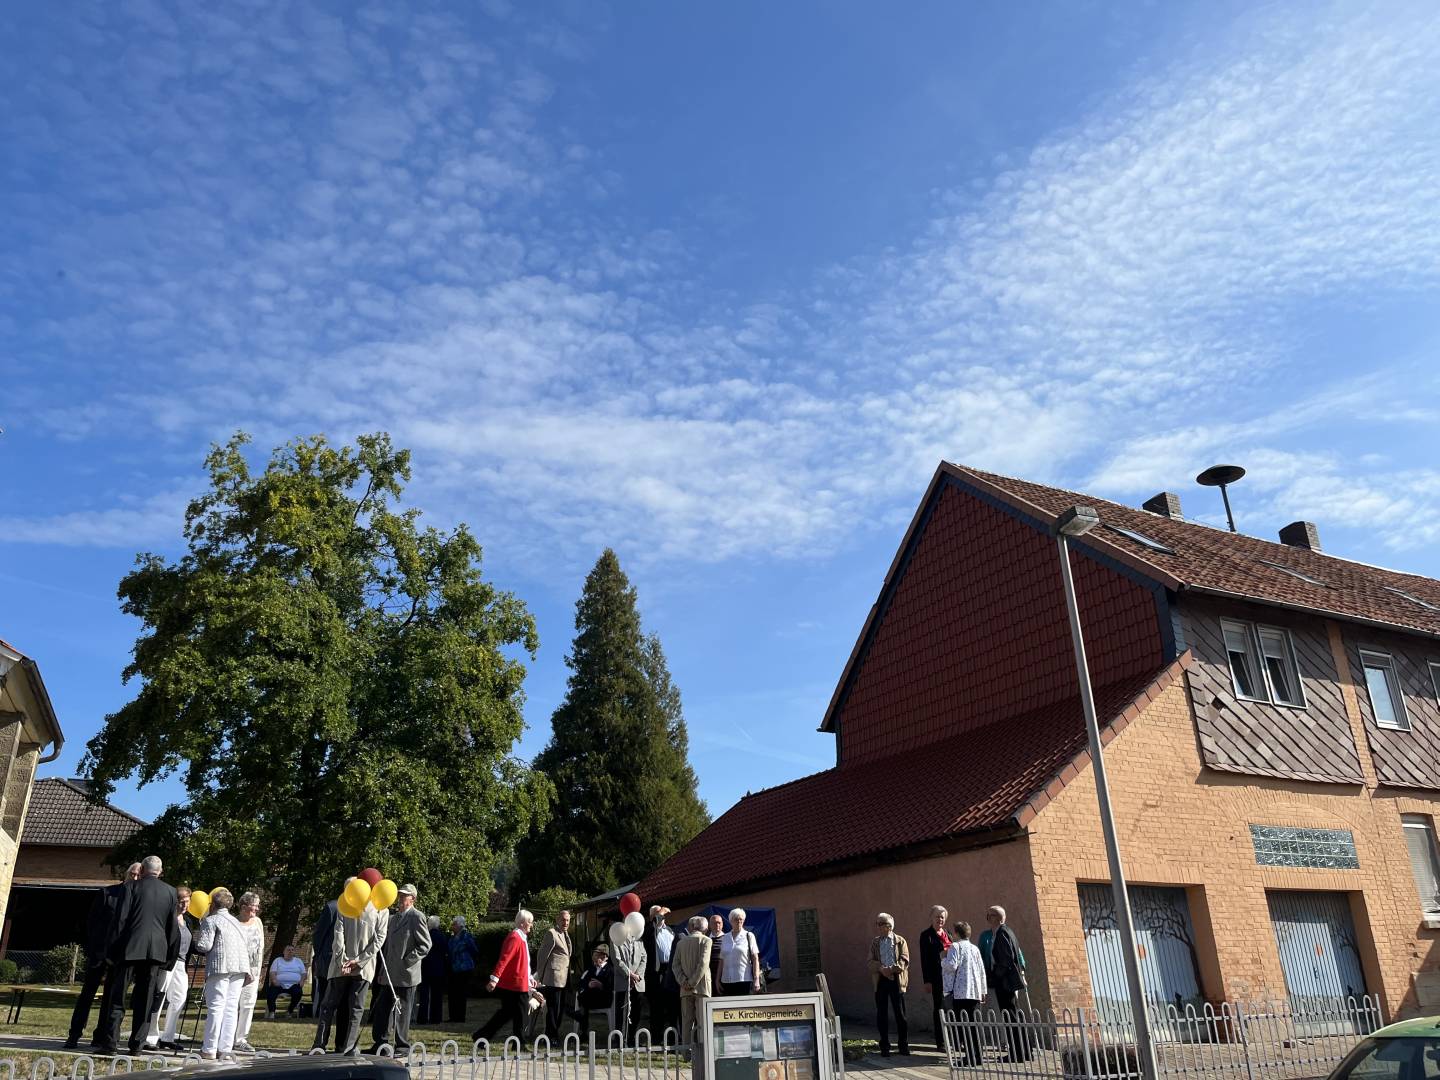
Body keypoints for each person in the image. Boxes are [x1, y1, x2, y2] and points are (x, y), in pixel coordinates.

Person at [98, 855, 181, 1055]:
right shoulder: (171, 892)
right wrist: (170, 955)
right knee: (145, 999)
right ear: (160, 872)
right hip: (155, 952)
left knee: (118, 997)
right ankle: (137, 1045)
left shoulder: (131, 887)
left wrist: (111, 951)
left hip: (130, 949)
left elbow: (120, 920)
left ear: (142, 870)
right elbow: (172, 927)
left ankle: (110, 1043)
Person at [66, 862, 140, 1050]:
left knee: (110, 998)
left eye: (139, 875)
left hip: (119, 957)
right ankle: (74, 1034)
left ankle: (100, 1035)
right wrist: (93, 948)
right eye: (133, 874)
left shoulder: (138, 899)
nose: (135, 878)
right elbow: (92, 922)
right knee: (87, 995)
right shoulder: (108, 893)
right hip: (99, 953)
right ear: (126, 874)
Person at [312, 879, 388, 1056]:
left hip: (342, 967)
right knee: (355, 1009)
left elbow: (338, 936)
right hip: (362, 968)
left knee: (328, 1006)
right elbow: (378, 940)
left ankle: (319, 1045)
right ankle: (349, 1047)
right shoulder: (380, 910)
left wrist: (343, 961)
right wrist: (358, 961)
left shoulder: (343, 905)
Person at [194, 888, 259, 1062]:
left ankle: (209, 1048)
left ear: (213, 904)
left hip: (220, 966)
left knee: (216, 1006)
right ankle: (225, 1049)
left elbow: (204, 946)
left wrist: (197, 940)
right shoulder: (236, 921)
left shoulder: (211, 920)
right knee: (231, 1008)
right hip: (240, 967)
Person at [369, 884, 432, 1053]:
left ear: (413, 899)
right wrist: (382, 970)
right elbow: (387, 947)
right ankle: (381, 1044)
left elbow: (425, 945)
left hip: (406, 975)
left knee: (402, 1012)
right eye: (400, 895)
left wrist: (407, 961)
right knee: (383, 1009)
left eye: (405, 895)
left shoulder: (417, 917)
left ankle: (402, 1046)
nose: (401, 898)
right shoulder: (393, 918)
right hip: (389, 974)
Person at [473, 910, 539, 1047]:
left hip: (517, 983)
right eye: (530, 922)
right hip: (514, 985)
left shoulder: (520, 937)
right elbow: (504, 958)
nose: (531, 925)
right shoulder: (515, 937)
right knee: (519, 1014)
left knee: (507, 1014)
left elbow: (523, 962)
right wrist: (494, 979)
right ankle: (518, 1043)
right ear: (522, 923)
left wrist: (529, 977)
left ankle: (482, 1035)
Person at [144, 884, 193, 1051]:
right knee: (159, 998)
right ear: (174, 901)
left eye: (187, 901)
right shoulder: (167, 917)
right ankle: (150, 1037)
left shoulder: (188, 921)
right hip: (166, 963)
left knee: (179, 998)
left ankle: (168, 1037)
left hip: (181, 964)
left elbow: (189, 944)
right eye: (181, 901)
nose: (184, 905)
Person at [986, 906, 1030, 1062]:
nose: (987, 919)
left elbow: (1006, 960)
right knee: (1015, 1015)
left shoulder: (1002, 933)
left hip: (1005, 982)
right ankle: (1024, 1052)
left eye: (989, 915)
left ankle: (1017, 1053)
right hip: (1007, 981)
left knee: (1010, 1017)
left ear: (996, 918)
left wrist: (995, 977)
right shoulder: (1006, 931)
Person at [941, 921, 986, 1065]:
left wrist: (942, 959)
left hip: (960, 992)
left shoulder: (955, 946)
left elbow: (951, 966)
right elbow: (981, 970)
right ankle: (977, 1056)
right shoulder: (975, 948)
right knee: (974, 1024)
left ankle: (970, 1056)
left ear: (956, 933)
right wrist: (983, 990)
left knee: (964, 1025)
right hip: (974, 991)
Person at [868, 912, 910, 1058]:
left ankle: (903, 1045)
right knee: (882, 1014)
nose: (878, 927)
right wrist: (881, 968)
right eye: (877, 924)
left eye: (881, 924)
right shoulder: (875, 942)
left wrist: (891, 969)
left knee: (900, 1014)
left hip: (896, 981)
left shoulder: (900, 941)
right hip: (881, 981)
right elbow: (870, 962)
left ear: (889, 926)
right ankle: (884, 1046)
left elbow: (905, 960)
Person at [670, 916, 712, 1063]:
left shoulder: (681, 943)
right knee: (702, 1022)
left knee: (687, 1022)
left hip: (685, 989)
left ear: (692, 927)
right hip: (702, 988)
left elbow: (675, 965)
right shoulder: (707, 941)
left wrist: (684, 982)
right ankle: (703, 1054)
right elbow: (703, 963)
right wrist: (693, 982)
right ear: (704, 928)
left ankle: (686, 1054)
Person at [535, 909, 577, 1043]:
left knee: (560, 1009)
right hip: (553, 978)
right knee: (553, 1009)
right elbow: (542, 956)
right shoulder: (551, 933)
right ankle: (551, 1037)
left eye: (568, 920)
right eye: (563, 920)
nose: (566, 923)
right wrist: (540, 976)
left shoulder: (566, 935)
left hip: (564, 979)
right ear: (557, 920)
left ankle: (552, 1034)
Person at [231, 892, 265, 1052]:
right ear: (244, 907)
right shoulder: (233, 923)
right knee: (232, 1005)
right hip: (237, 971)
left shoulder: (257, 922)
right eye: (254, 907)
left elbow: (261, 948)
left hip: (254, 971)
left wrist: (259, 969)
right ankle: (228, 1038)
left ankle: (241, 1039)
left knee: (248, 1004)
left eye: (258, 906)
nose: (256, 909)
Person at [918, 905, 951, 1052]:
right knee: (940, 1008)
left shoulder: (948, 933)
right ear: (931, 918)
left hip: (951, 978)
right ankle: (941, 1041)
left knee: (952, 1008)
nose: (940, 919)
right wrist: (927, 981)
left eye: (942, 917)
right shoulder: (926, 935)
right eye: (937, 916)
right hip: (937, 978)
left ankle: (955, 1040)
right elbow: (924, 959)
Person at [643, 906, 679, 1042]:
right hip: (656, 973)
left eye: (662, 915)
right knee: (657, 1007)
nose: (662, 917)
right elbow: (655, 926)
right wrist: (661, 912)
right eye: (658, 915)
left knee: (672, 1007)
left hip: (671, 971)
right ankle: (656, 1039)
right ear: (652, 917)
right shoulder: (649, 930)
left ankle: (673, 1038)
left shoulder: (669, 930)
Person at [610, 920, 646, 1044]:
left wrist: (637, 976)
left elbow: (644, 958)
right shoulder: (616, 938)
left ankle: (632, 1038)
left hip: (637, 983)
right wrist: (629, 975)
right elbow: (616, 960)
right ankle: (619, 1039)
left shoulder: (639, 940)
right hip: (622, 981)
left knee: (636, 1012)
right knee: (620, 1012)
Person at [718, 909, 760, 996]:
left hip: (744, 980)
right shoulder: (725, 938)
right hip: (726, 980)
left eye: (741, 919)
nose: (739, 921)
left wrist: (757, 979)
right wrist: (717, 980)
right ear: (731, 921)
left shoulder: (749, 936)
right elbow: (721, 960)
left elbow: (755, 959)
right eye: (736, 919)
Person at [310, 898, 339, 1027]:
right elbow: (318, 934)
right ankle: (322, 1023)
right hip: (328, 960)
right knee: (325, 996)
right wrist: (319, 955)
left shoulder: (361, 908)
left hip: (348, 962)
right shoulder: (332, 908)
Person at [447, 916, 480, 1022]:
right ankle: (453, 1017)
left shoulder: (467, 936)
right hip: (453, 968)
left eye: (454, 924)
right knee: (453, 993)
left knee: (461, 993)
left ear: (460, 926)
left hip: (464, 969)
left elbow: (474, 950)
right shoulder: (452, 938)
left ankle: (460, 1017)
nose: (452, 926)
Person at [417, 915, 449, 1025]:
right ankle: (436, 1018)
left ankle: (422, 1017)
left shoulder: (426, 935)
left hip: (426, 967)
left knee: (424, 994)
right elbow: (446, 951)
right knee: (437, 994)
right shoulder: (442, 936)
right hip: (438, 968)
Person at [577, 945, 613, 1032]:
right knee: (584, 999)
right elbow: (581, 983)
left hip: (603, 999)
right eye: (595, 955)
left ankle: (582, 1027)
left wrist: (601, 985)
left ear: (606, 957)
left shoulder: (610, 970)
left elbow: (611, 987)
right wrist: (588, 985)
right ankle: (583, 1033)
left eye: (599, 955)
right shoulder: (591, 969)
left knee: (582, 999)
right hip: (589, 999)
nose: (596, 957)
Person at [264, 945, 307, 1018]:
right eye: (288, 950)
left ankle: (289, 1011)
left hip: (294, 984)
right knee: (271, 993)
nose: (290, 951)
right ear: (283, 952)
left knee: (298, 993)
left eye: (292, 950)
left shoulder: (298, 961)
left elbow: (304, 973)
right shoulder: (277, 960)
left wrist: (302, 981)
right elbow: (272, 972)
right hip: (279, 984)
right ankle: (272, 1012)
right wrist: (274, 980)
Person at [707, 915, 725, 997]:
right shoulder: (705, 940)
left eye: (719, 923)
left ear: (722, 924)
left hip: (723, 978)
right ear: (709, 925)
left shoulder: (728, 939)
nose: (717, 925)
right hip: (709, 978)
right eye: (714, 923)